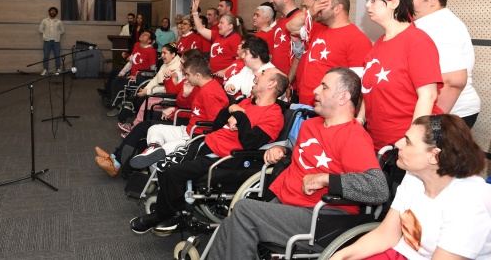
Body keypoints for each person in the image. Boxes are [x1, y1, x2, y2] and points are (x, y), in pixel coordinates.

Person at [208, 68, 390, 259]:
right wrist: (283, 150)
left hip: (322, 216)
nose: (315, 91)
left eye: (324, 87)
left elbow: (378, 188)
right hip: (287, 203)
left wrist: (326, 179)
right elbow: (309, 155)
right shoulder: (311, 125)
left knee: (243, 210)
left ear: (343, 97)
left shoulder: (353, 137)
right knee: (230, 223)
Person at [130, 67, 289, 234]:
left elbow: (251, 142)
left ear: (272, 84)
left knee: (173, 172)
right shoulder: (246, 102)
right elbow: (217, 125)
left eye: (262, 73)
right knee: (163, 164)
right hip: (206, 144)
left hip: (224, 158)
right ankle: (175, 208)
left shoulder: (274, 115)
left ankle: (166, 215)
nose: (256, 74)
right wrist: (230, 110)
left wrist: (240, 116)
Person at [331, 114, 491, 259]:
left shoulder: (469, 202)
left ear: (434, 156)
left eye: (407, 142)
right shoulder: (414, 176)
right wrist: (340, 256)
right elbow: (386, 235)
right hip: (402, 253)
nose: (398, 144)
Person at [357, 0, 443, 151]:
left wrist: (412, 140)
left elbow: (428, 96)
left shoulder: (417, 41)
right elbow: (369, 89)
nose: (367, 5)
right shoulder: (379, 44)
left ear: (394, 2)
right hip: (380, 143)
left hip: (409, 145)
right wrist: (359, 120)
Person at [129, 54, 229, 169]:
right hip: (188, 130)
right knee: (154, 128)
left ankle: (155, 161)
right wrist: (185, 94)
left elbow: (216, 124)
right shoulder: (203, 87)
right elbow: (183, 104)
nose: (186, 77)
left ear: (198, 75)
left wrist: (197, 142)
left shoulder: (210, 92)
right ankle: (154, 148)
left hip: (196, 137)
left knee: (162, 152)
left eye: (188, 74)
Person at [406, 0, 481, 129]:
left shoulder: (442, 27)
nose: (406, 1)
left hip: (450, 114)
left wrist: (429, 126)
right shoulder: (427, 24)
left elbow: (452, 81)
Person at [286, 0, 372, 107]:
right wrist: (310, 11)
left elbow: (357, 87)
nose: (318, 7)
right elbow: (290, 26)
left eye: (323, 3)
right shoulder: (317, 28)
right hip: (304, 104)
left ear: (337, 9)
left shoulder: (357, 39)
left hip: (330, 109)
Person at [192, 0, 243, 82]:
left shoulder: (235, 38)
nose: (218, 25)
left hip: (226, 79)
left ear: (230, 26)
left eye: (222, 23)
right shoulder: (217, 35)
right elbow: (200, 29)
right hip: (214, 77)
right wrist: (195, 12)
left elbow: (240, 60)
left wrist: (225, 71)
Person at [269, 0, 300, 75]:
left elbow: (299, 57)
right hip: (277, 77)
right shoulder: (280, 21)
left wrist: (289, 80)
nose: (271, 0)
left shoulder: (299, 19)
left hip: (289, 79)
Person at [38, 7, 65, 75]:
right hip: (47, 41)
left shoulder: (59, 21)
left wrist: (57, 34)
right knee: (46, 56)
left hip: (56, 42)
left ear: (56, 13)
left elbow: (62, 31)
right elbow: (40, 30)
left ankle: (58, 70)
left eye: (54, 11)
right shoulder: (44, 20)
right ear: (49, 12)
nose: (53, 12)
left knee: (57, 56)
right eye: (51, 11)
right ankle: (45, 70)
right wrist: (45, 34)